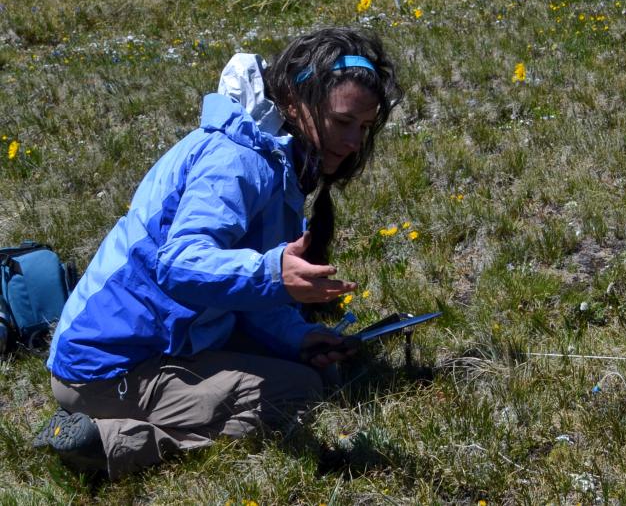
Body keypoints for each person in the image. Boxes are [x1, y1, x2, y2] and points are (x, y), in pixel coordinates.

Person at [31, 27, 404, 479]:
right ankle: (110, 443)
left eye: (363, 128)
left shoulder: (272, 154)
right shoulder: (237, 159)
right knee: (298, 392)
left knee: (315, 368)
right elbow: (180, 263)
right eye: (343, 122)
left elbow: (245, 289)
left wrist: (297, 338)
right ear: (292, 99)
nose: (352, 144)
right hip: (108, 366)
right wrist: (272, 275)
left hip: (165, 337)